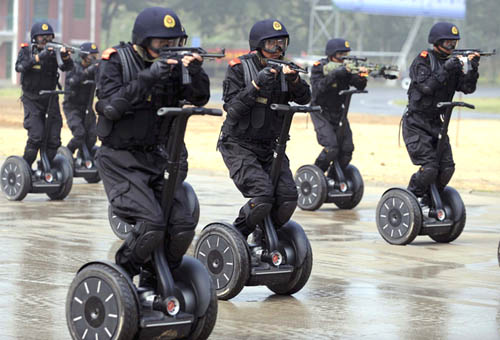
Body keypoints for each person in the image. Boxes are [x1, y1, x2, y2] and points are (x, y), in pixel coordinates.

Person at [95, 7, 210, 278]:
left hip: (155, 157)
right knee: (151, 223)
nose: (170, 49)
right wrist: (151, 75)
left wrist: (194, 72)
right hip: (120, 159)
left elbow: (200, 97)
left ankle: (160, 276)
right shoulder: (116, 61)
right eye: (163, 44)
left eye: (175, 43)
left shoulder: (175, 67)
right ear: (144, 41)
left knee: (183, 222)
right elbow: (111, 107)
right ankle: (122, 275)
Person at [218, 19, 311, 239]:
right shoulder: (239, 68)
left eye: (282, 43)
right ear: (259, 45)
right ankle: (236, 238)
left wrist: (295, 80)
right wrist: (256, 85)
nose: (278, 49)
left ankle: (264, 238)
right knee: (262, 196)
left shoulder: (288, 67)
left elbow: (305, 98)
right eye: (272, 45)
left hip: (270, 148)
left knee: (288, 198)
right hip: (239, 145)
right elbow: (232, 109)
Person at [403, 22, 480, 205]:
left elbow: (467, 88)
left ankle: (432, 202)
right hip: (416, 123)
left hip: (437, 123)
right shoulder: (423, 60)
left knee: (447, 168)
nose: (452, 46)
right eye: (448, 42)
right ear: (437, 42)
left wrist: (473, 68)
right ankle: (410, 198)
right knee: (429, 167)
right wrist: (446, 69)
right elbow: (426, 87)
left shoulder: (452, 64)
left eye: (454, 43)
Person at [15, 22, 73, 167]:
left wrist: (65, 56)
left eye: (49, 36)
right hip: (31, 99)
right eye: (42, 37)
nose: (46, 39)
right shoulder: (27, 50)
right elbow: (20, 67)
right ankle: (25, 168)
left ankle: (45, 168)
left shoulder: (55, 51)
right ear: (35, 38)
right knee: (36, 136)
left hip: (51, 99)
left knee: (54, 139)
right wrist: (39, 57)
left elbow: (68, 67)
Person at [309, 38, 367, 175]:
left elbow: (359, 84)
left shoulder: (347, 68)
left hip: (338, 111)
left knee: (347, 149)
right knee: (331, 147)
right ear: (331, 55)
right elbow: (318, 89)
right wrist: (336, 74)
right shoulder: (319, 67)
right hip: (320, 111)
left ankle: (334, 177)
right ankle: (316, 174)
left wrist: (362, 75)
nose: (344, 58)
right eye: (340, 55)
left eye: (345, 55)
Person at [62, 42, 100, 156]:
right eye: (91, 56)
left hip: (87, 107)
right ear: (83, 56)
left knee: (93, 135)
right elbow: (73, 82)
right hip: (72, 107)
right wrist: (87, 72)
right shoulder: (73, 66)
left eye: (96, 56)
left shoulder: (94, 70)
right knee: (79, 134)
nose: (94, 59)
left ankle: (83, 157)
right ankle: (66, 154)